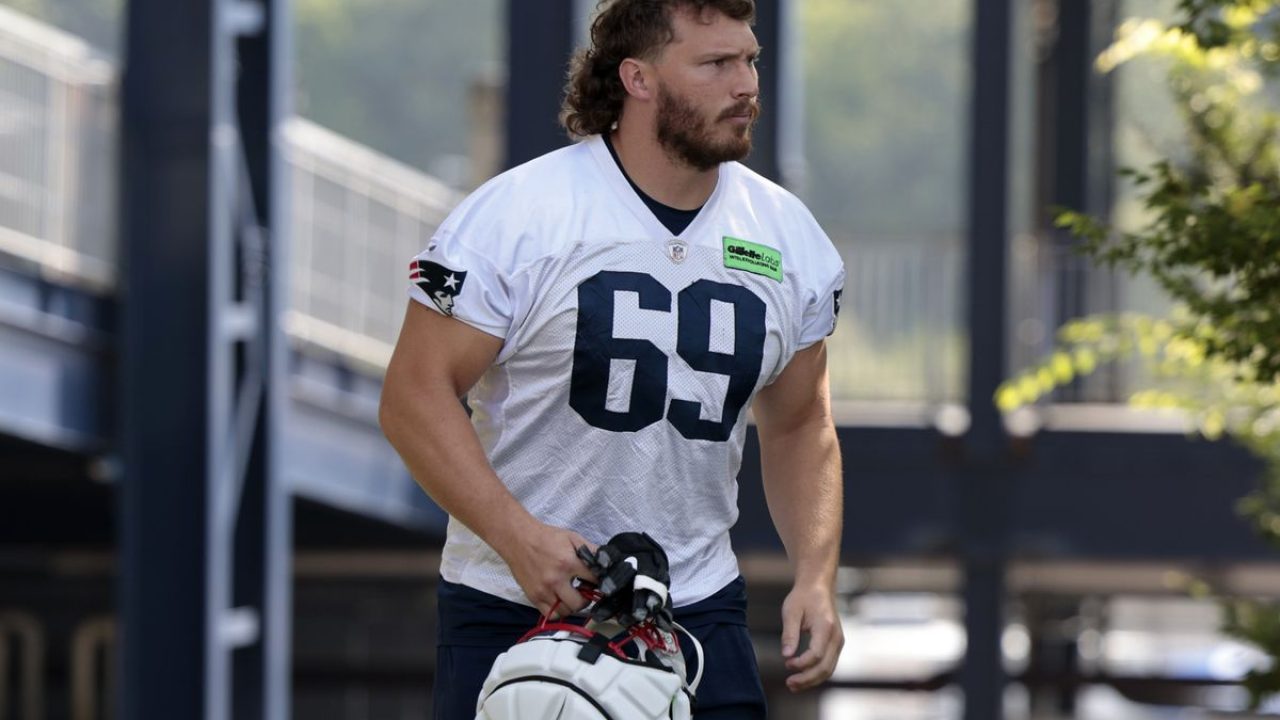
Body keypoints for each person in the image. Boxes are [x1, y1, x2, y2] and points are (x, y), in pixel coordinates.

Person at [379, 0, 846, 717]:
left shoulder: (790, 238)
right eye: (716, 64)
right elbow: (414, 396)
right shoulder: (518, 216)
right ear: (639, 78)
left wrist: (815, 576)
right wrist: (517, 539)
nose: (746, 84)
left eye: (750, 60)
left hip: (696, 606)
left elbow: (798, 422)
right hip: (517, 602)